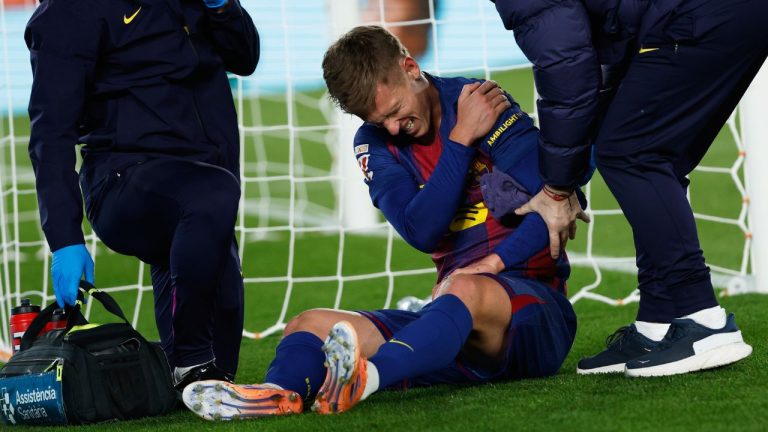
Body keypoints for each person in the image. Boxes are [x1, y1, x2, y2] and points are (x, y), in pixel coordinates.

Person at [181, 25, 579, 421]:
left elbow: (555, 207)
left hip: (532, 319)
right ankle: (277, 394)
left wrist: (492, 264)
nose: (391, 128)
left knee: (466, 287)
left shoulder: (479, 103)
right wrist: (459, 144)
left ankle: (367, 377)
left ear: (410, 68)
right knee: (310, 324)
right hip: (449, 321)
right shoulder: (374, 141)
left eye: (393, 112)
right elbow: (421, 231)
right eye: (376, 120)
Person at [492, 0, 766, 377]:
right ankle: (659, 321)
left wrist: (557, 187)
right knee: (650, 154)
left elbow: (568, 71)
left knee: (633, 152)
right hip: (725, 13)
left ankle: (702, 318)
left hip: (703, 13)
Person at [25, 0, 259, 390]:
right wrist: (64, 238)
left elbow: (245, 56)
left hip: (203, 192)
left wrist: (223, 7)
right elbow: (51, 133)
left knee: (217, 374)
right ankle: (190, 361)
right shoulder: (69, 9)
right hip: (122, 181)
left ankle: (179, 371)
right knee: (211, 194)